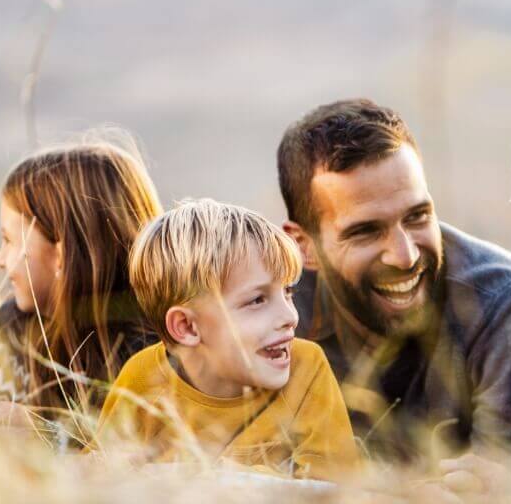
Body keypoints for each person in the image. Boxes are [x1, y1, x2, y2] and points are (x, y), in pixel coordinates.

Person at [276, 99, 511, 460]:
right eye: (366, 232)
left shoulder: (503, 301)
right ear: (303, 246)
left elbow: (501, 481)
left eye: (417, 216)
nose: (405, 256)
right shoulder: (269, 315)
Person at [97, 199, 359, 481]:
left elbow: (336, 486)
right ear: (186, 326)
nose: (290, 316)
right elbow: (96, 474)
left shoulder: (307, 367)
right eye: (257, 300)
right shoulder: (142, 380)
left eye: (287, 293)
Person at [0, 139, 163, 441]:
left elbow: (142, 456)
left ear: (60, 255)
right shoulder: (14, 325)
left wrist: (45, 435)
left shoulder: (152, 351)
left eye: (9, 241)